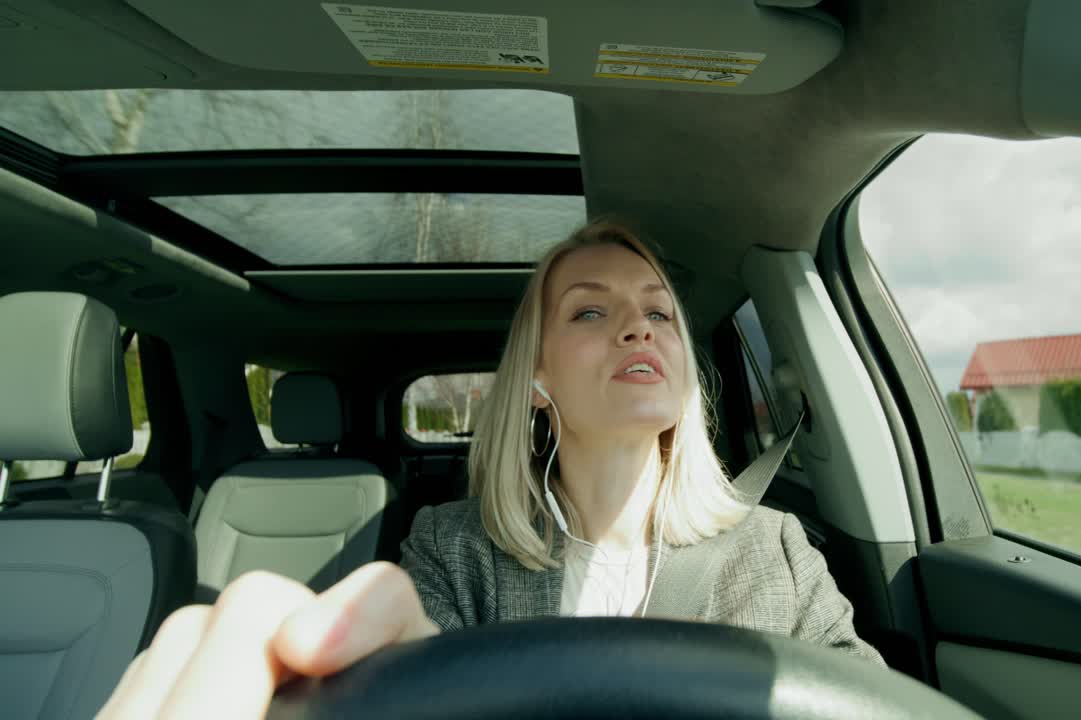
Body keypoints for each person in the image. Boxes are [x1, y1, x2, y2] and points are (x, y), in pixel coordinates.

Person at [97, 221, 883, 719]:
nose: (638, 328)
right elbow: (414, 677)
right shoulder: (450, 546)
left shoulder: (776, 549)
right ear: (537, 382)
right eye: (589, 310)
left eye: (659, 312)